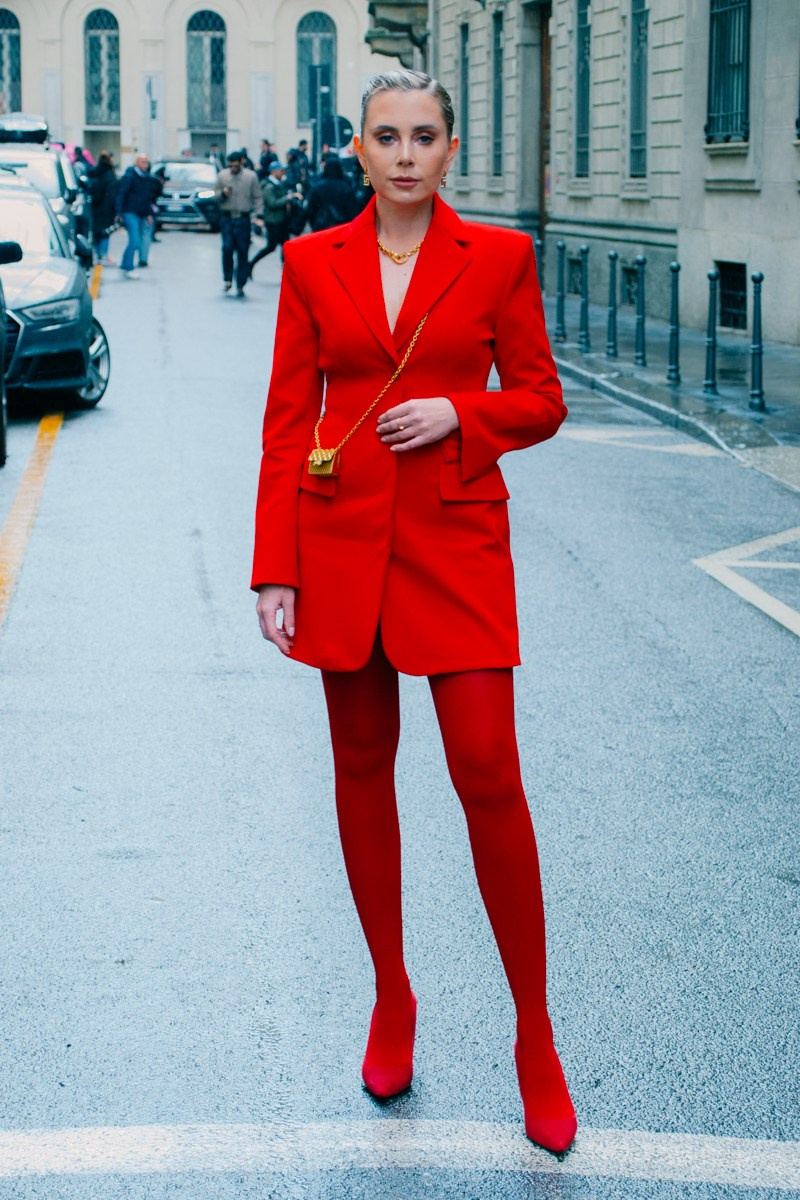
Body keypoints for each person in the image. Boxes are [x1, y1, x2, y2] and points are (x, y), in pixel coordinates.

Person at [252, 70, 577, 1154]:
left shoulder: (498, 259)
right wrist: (273, 568)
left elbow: (540, 399)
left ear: (448, 152)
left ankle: (534, 1036)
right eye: (384, 137)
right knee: (360, 771)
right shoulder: (308, 261)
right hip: (338, 547)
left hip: (455, 544)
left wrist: (461, 413)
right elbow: (284, 421)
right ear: (358, 149)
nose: (402, 153)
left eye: (422, 137)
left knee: (488, 773)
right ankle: (391, 994)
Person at [214, 150, 262, 296]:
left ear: (241, 163)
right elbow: (215, 195)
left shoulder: (251, 176)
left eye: (236, 166)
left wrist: (258, 215)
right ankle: (227, 279)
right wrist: (223, 194)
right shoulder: (222, 176)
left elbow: (257, 197)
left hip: (243, 218)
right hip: (227, 217)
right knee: (227, 248)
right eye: (231, 166)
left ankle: (241, 282)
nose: (233, 169)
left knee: (243, 250)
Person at [247, 163, 302, 278]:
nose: (283, 173)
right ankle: (251, 265)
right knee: (273, 247)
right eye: (281, 170)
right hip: (274, 222)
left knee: (283, 247)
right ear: (274, 171)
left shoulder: (276, 184)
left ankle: (286, 272)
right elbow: (272, 203)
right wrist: (289, 198)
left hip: (280, 221)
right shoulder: (269, 186)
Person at [116, 153, 156, 278]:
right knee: (135, 240)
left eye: (147, 162)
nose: (146, 165)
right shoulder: (130, 177)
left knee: (135, 240)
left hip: (140, 213)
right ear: (137, 162)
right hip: (130, 212)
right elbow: (121, 194)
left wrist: (149, 213)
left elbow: (146, 198)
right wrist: (119, 212)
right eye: (143, 162)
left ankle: (125, 263)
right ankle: (128, 266)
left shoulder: (144, 178)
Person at [304, 157, 356, 232]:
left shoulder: (317, 187)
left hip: (320, 229)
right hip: (341, 229)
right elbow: (352, 212)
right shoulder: (346, 188)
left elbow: (311, 209)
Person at [87, 150, 118, 264]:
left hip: (95, 206)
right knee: (105, 231)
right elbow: (113, 191)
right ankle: (103, 254)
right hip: (106, 207)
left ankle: (97, 254)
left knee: (96, 231)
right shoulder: (109, 174)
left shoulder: (94, 172)